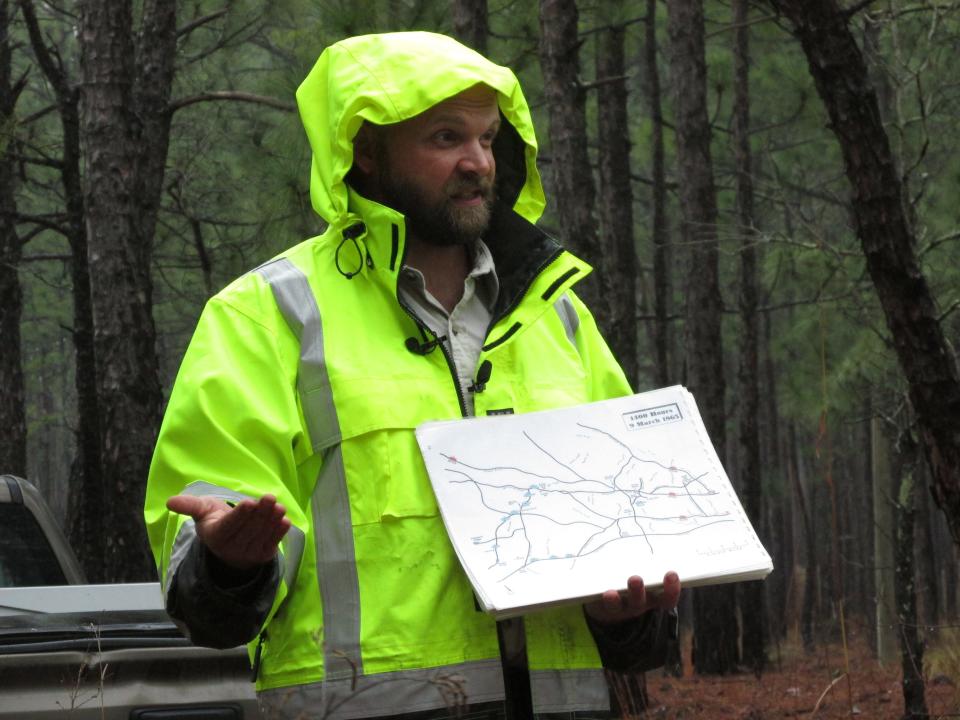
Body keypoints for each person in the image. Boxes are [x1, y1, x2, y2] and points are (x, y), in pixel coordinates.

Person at [144, 31, 681, 720]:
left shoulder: (559, 317)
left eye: (488, 139)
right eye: (445, 137)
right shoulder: (269, 315)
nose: (476, 162)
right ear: (365, 151)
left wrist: (628, 614)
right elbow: (209, 592)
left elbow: (635, 538)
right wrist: (226, 567)